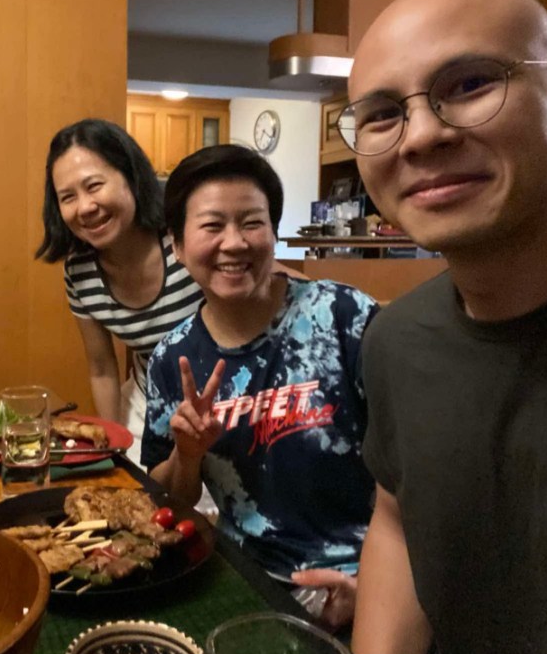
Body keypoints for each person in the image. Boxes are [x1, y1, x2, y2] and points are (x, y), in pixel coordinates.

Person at [343, 0, 547, 654]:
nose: (422, 136)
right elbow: (397, 523)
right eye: (380, 114)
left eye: (468, 84)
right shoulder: (395, 341)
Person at [141, 144, 378, 628]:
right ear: (180, 247)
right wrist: (187, 454)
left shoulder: (344, 317)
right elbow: (169, 502)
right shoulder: (174, 358)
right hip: (248, 581)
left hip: (367, 582)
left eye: (252, 222)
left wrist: (377, 589)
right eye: (212, 226)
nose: (234, 243)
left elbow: (420, 473)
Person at [35, 119, 203, 462]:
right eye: (68, 197)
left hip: (227, 386)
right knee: (130, 483)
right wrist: (109, 448)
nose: (84, 207)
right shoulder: (80, 271)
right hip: (150, 390)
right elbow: (101, 367)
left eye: (94, 186)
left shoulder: (185, 237)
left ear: (130, 176)